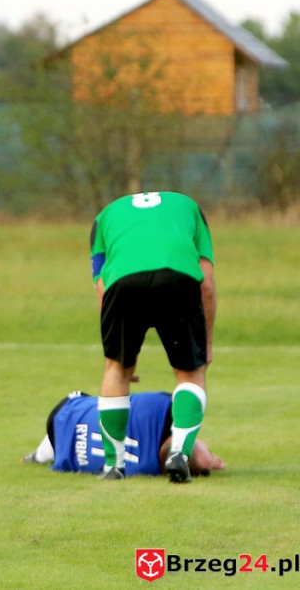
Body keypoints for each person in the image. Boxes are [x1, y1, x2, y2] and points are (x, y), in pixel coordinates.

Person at [89, 191, 217, 483]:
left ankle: (113, 466)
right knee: (190, 373)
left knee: (116, 371)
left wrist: (116, 355)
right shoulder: (191, 208)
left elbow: (103, 289)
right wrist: (205, 344)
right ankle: (179, 455)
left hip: (122, 282)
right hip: (177, 278)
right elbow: (206, 283)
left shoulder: (104, 216)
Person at [21, 391, 225, 477]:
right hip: (66, 428)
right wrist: (207, 460)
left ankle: (39, 455)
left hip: (70, 409)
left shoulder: (159, 406)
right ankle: (39, 455)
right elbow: (202, 461)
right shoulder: (145, 466)